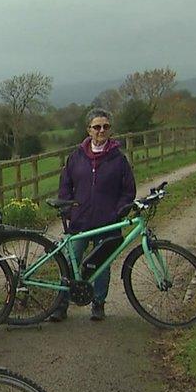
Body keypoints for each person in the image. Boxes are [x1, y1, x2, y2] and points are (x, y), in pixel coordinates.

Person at [50, 107, 136, 322]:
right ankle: (61, 305)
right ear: (88, 130)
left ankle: (98, 304)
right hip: (80, 222)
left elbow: (128, 190)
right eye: (97, 127)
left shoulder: (118, 159)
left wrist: (118, 212)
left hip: (107, 223)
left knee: (101, 266)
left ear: (110, 130)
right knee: (70, 264)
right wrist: (69, 210)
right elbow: (65, 186)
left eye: (105, 127)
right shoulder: (76, 157)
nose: (101, 131)